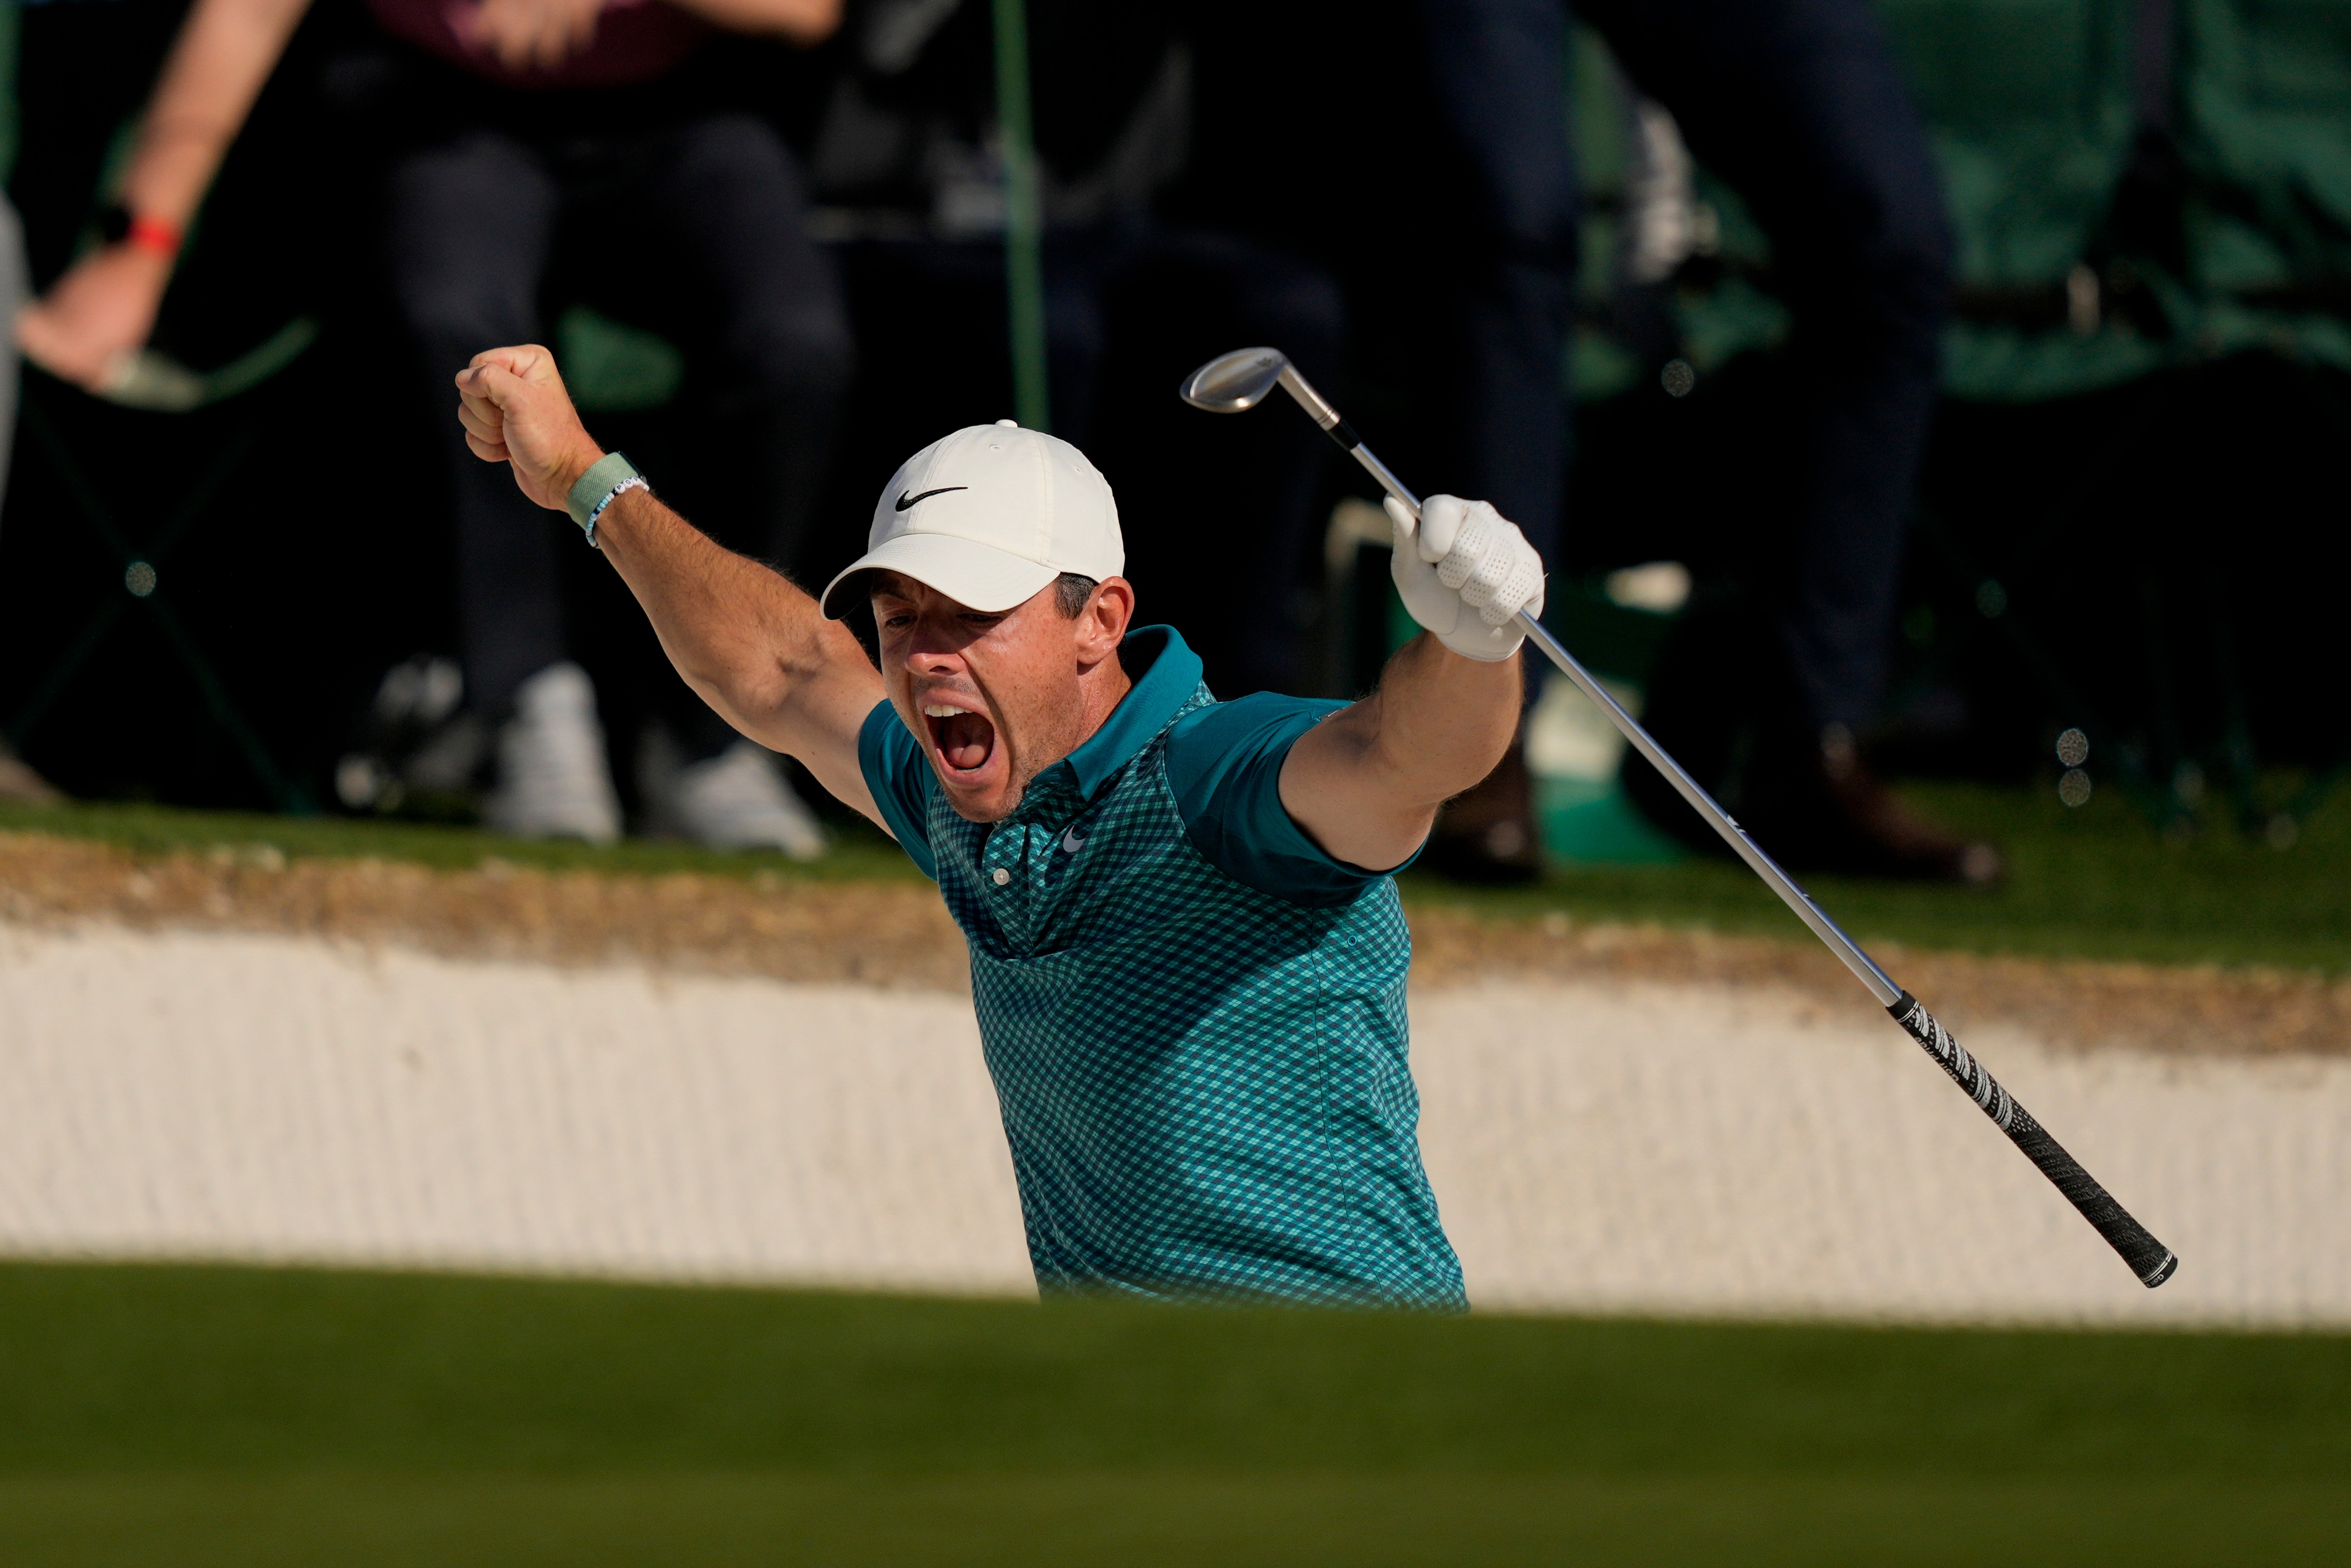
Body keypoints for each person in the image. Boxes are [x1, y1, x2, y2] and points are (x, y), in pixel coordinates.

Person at [453, 341, 1548, 1306]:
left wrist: (1473, 642)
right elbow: (785, 669)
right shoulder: (954, 794)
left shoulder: (1212, 779)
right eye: (902, 615)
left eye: (975, 614)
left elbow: (1409, 758)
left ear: (1099, 619)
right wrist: (583, 479)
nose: (928, 653)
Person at [15, 0, 852, 851]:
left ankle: (713, 728)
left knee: (797, 342)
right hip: (447, 123)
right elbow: (245, 14)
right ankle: (526, 703)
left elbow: (808, 11)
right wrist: (140, 243)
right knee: (454, 319)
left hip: (679, 115)